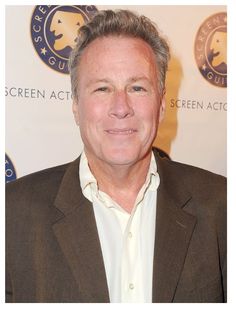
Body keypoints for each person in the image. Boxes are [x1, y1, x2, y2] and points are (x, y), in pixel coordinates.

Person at [6, 9, 226, 303]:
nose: (121, 107)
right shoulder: (12, 215)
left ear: (161, 105)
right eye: (102, 88)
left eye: (137, 87)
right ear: (75, 106)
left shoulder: (222, 205)